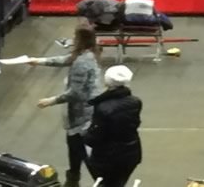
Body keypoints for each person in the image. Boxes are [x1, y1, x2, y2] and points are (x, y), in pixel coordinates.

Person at [36, 24, 104, 187]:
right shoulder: (89, 54)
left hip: (81, 114)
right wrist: (39, 61)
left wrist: (51, 101)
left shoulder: (81, 62)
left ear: (80, 39)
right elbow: (66, 59)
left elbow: (76, 93)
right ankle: (73, 177)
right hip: (86, 110)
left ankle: (101, 182)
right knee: (74, 148)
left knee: (83, 151)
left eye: (75, 37)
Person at [83, 66, 143, 187]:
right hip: (131, 153)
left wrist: (85, 135)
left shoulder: (103, 108)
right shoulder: (135, 102)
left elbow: (96, 136)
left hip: (108, 157)